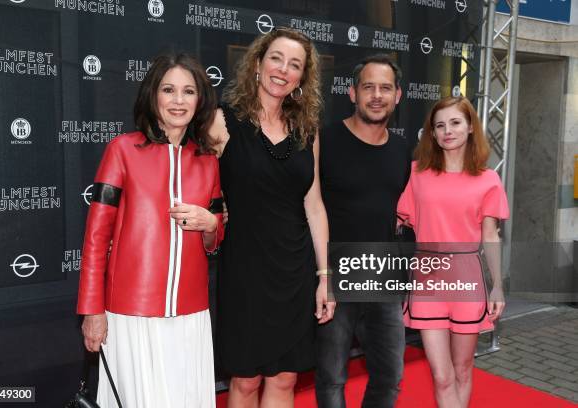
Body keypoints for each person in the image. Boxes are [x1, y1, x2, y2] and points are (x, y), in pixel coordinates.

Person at [76, 52, 223, 408]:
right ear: (152, 95)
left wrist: (211, 224)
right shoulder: (122, 151)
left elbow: (214, 243)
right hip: (132, 315)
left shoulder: (207, 161)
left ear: (200, 100)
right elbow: (96, 238)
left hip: (190, 316)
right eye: (168, 89)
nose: (178, 100)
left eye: (189, 92)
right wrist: (92, 310)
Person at [210, 27, 335, 407]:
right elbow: (198, 186)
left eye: (294, 64)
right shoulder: (221, 121)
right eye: (276, 59)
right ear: (258, 64)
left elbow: (314, 205)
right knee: (245, 382)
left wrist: (325, 277)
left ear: (302, 78)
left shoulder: (307, 130)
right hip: (244, 271)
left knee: (284, 378)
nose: (283, 69)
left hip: (294, 271)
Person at [398, 96, 508, 408]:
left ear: (471, 127)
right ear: (431, 133)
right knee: (442, 375)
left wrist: (497, 285)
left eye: (456, 123)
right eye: (440, 125)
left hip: (467, 279)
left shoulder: (488, 179)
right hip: (428, 280)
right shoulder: (417, 173)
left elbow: (490, 235)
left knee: (462, 369)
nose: (448, 131)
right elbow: (395, 217)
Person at [315, 54, 412, 408]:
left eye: (385, 88)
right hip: (334, 274)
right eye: (368, 86)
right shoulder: (324, 141)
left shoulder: (402, 150)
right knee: (331, 377)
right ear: (352, 93)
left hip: (382, 277)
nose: (376, 95)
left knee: (390, 376)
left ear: (398, 95)